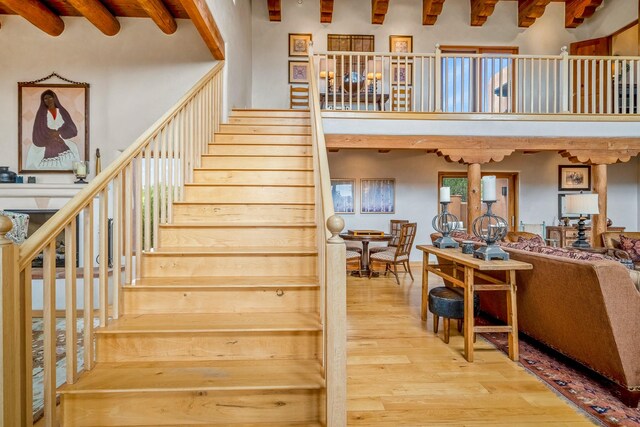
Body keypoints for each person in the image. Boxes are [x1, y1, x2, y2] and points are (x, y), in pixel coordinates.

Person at [26, 89, 80, 170]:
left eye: (50, 97)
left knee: (73, 147)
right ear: (43, 101)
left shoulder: (62, 111)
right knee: (33, 151)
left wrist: (59, 132)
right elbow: (39, 129)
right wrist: (51, 134)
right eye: (45, 99)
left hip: (61, 137)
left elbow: (70, 126)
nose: (48, 100)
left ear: (54, 98)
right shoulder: (41, 113)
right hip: (45, 138)